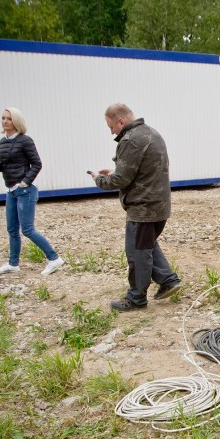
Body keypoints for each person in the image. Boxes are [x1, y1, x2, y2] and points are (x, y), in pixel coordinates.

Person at [89, 104, 181, 312]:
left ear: (120, 121)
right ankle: (168, 280)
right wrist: (115, 171)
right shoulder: (151, 133)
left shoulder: (130, 140)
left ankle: (136, 297)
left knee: (137, 252)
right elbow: (142, 170)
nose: (111, 131)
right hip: (159, 205)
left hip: (143, 209)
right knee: (146, 245)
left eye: (111, 126)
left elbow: (121, 180)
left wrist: (100, 179)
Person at [0, 107, 65, 276]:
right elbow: (6, 167)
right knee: (11, 229)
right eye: (3, 118)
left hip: (25, 191)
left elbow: (37, 163)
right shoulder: (2, 142)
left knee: (27, 229)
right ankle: (13, 263)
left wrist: (25, 182)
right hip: (11, 190)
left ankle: (54, 258)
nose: (5, 121)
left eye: (9, 118)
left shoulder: (25, 140)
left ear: (16, 121)